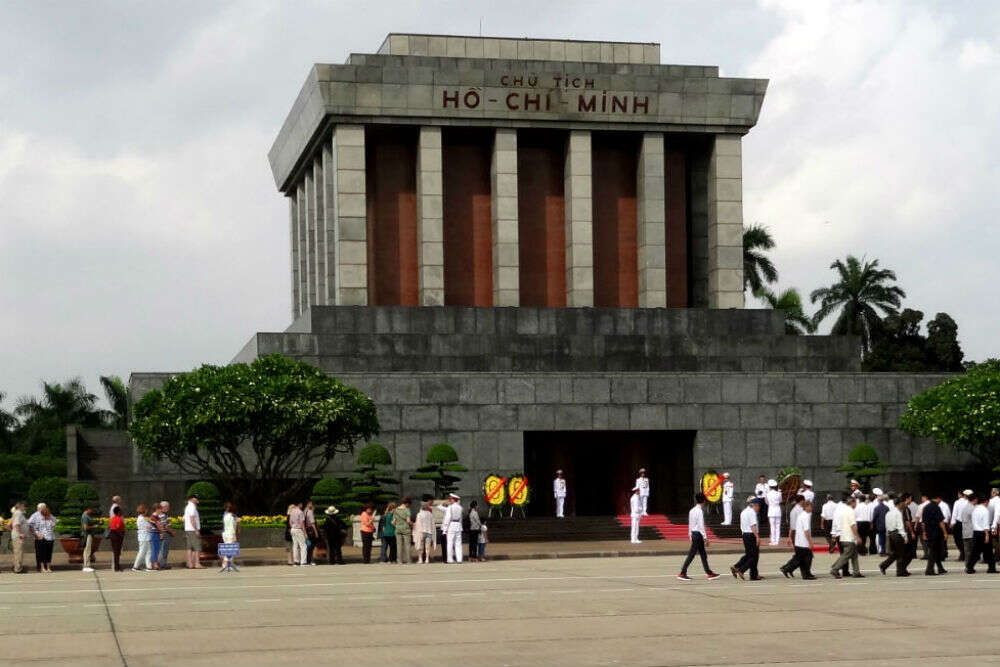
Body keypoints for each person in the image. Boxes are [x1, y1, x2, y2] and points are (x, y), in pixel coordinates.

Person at [678, 493, 720, 581]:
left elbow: (690, 524)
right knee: (692, 554)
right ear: (704, 501)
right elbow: (701, 526)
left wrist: (690, 535)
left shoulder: (692, 510)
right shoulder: (699, 511)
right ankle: (682, 572)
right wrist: (705, 538)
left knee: (703, 554)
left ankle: (709, 572)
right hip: (698, 535)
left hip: (694, 533)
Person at [830, 495, 862, 579]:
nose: (856, 504)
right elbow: (853, 525)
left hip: (843, 536)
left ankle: (856, 571)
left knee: (854, 555)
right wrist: (857, 536)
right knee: (846, 555)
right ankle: (835, 569)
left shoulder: (843, 511)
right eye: (855, 502)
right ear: (852, 502)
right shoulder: (850, 511)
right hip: (849, 537)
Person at [880, 497, 912, 576]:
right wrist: (905, 537)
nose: (903, 504)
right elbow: (900, 526)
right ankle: (900, 571)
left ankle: (884, 565)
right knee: (901, 553)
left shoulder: (888, 513)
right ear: (900, 503)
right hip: (897, 534)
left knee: (895, 553)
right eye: (902, 503)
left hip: (890, 534)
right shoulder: (898, 513)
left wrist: (888, 535)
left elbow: (887, 525)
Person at [731, 496, 761, 581]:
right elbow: (753, 526)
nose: (758, 508)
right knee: (754, 556)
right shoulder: (752, 513)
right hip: (751, 535)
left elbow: (742, 525)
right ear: (754, 505)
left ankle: (738, 567)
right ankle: (741, 570)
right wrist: (757, 537)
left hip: (745, 535)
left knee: (749, 555)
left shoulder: (744, 512)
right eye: (758, 506)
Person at [966, 494, 997, 574]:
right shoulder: (985, 511)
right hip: (983, 532)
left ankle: (969, 567)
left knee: (975, 552)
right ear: (986, 502)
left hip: (976, 532)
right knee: (989, 552)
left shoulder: (975, 509)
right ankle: (991, 568)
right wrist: (987, 535)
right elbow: (985, 524)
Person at [922, 493, 948, 575]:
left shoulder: (925, 507)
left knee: (935, 551)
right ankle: (929, 570)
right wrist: (945, 533)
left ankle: (940, 568)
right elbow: (941, 522)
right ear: (938, 498)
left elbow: (923, 523)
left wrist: (924, 532)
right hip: (936, 532)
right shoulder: (936, 507)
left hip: (929, 532)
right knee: (934, 552)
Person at [780, 495, 805, 578]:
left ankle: (788, 568)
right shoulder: (800, 510)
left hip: (795, 533)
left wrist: (789, 536)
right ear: (801, 501)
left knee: (800, 554)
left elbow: (791, 526)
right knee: (802, 554)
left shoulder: (793, 510)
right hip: (799, 533)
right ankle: (787, 568)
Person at [27, 503, 56, 573]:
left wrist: (50, 519)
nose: (45, 510)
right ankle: (41, 567)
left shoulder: (50, 517)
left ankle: (48, 567)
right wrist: (36, 535)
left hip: (50, 537)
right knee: (41, 553)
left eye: (45, 508)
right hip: (40, 537)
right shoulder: (35, 516)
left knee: (48, 553)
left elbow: (54, 524)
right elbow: (31, 526)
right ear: (39, 509)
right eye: (43, 508)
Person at [792, 501, 816, 579]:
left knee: (803, 559)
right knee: (808, 559)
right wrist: (810, 542)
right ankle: (807, 574)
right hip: (804, 542)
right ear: (806, 507)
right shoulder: (806, 516)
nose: (812, 508)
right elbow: (806, 530)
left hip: (799, 541)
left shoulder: (801, 515)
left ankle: (806, 574)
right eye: (811, 506)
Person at [442, 493, 464, 564]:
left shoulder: (450, 507)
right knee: (458, 543)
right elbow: (461, 518)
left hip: (451, 525)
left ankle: (450, 559)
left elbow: (447, 518)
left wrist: (445, 529)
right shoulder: (460, 507)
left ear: (453, 499)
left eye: (450, 499)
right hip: (458, 525)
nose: (450, 500)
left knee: (450, 543)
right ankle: (459, 559)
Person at [183, 494, 202, 569]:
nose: (197, 499)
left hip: (188, 529)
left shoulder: (187, 507)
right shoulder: (192, 507)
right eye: (196, 498)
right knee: (197, 547)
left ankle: (189, 563)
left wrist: (185, 528)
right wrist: (196, 530)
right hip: (192, 529)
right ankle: (197, 563)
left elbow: (184, 519)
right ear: (191, 499)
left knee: (189, 547)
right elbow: (192, 519)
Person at [414, 498, 436, 564]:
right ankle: (427, 559)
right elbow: (432, 524)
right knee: (427, 546)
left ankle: (420, 559)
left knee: (420, 546)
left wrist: (416, 532)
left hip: (421, 532)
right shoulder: (430, 514)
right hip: (429, 532)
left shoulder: (419, 514)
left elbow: (418, 524)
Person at [220, 502, 240, 572]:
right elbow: (232, 527)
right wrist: (234, 536)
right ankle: (224, 564)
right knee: (230, 550)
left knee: (229, 549)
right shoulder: (232, 516)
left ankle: (230, 564)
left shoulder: (224, 515)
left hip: (225, 533)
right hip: (230, 534)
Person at [393, 497, 413, 565]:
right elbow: (408, 521)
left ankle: (399, 561)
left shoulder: (396, 510)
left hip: (398, 529)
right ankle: (408, 560)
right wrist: (412, 524)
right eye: (409, 504)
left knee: (399, 545)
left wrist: (397, 526)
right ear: (407, 503)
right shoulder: (407, 510)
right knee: (407, 545)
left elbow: (393, 522)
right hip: (406, 529)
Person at [951, 490, 970, 562]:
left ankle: (962, 552)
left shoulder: (957, 502)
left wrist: (952, 523)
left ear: (960, 494)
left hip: (958, 522)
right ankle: (965, 553)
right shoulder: (968, 502)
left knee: (957, 539)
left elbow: (954, 513)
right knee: (966, 539)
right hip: (967, 523)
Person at [132, 504, 152, 572]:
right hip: (144, 537)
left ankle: (149, 566)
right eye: (146, 510)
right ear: (144, 510)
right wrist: (150, 524)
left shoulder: (142, 518)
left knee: (148, 552)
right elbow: (148, 527)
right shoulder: (141, 519)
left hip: (146, 537)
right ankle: (135, 566)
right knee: (142, 552)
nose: (147, 511)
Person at [9, 502, 27, 574]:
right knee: (19, 552)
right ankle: (18, 569)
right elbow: (17, 524)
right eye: (24, 506)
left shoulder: (17, 513)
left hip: (17, 535)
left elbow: (9, 524)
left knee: (18, 552)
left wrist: (13, 530)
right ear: (20, 507)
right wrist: (20, 533)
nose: (25, 507)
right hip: (18, 536)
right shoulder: (18, 513)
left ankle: (18, 567)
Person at [155, 501, 174, 569]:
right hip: (165, 533)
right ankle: (162, 564)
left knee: (161, 549)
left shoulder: (159, 514)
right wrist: (172, 532)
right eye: (167, 507)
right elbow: (165, 526)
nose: (168, 508)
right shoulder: (163, 515)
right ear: (164, 507)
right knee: (164, 550)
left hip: (161, 533)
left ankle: (161, 563)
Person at [288, 501, 307, 566]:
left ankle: (296, 561)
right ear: (300, 504)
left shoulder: (292, 511)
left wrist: (293, 528)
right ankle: (303, 562)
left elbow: (290, 522)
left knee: (295, 545)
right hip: (299, 529)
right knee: (303, 546)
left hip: (293, 529)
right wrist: (305, 533)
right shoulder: (300, 512)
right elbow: (302, 523)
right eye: (301, 504)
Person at [80, 507, 98, 572]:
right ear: (87, 509)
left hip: (88, 535)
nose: (92, 511)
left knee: (87, 550)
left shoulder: (86, 516)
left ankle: (86, 565)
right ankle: (86, 566)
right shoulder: (85, 516)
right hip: (87, 535)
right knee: (87, 550)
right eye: (91, 509)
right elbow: (85, 527)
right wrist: (94, 526)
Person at [108, 505, 125, 572]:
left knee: (116, 552)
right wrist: (121, 535)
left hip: (113, 535)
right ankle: (116, 567)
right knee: (117, 552)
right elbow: (117, 528)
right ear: (118, 512)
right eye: (120, 511)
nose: (122, 512)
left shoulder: (113, 518)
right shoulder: (118, 519)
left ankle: (117, 565)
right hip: (117, 536)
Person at [765, 479, 782, 546]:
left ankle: (773, 541)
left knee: (772, 526)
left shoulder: (767, 494)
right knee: (778, 526)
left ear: (769, 486)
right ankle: (777, 541)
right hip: (778, 510)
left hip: (771, 510)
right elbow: (781, 501)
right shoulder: (779, 493)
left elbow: (767, 502)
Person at [304, 500, 319, 566]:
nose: (313, 506)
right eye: (312, 504)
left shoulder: (304, 511)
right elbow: (313, 523)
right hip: (311, 530)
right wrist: (316, 532)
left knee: (308, 546)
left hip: (306, 529)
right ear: (308, 504)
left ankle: (307, 560)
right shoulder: (310, 512)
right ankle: (310, 560)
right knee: (312, 546)